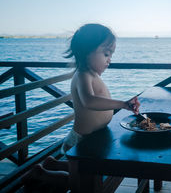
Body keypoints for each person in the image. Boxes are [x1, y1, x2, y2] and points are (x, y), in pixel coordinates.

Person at [22, 23, 140, 192]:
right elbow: (89, 101)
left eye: (111, 54)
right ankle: (40, 174)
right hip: (81, 142)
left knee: (85, 173)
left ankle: (53, 164)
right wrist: (122, 104)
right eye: (106, 53)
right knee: (80, 183)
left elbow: (101, 103)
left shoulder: (93, 75)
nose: (109, 59)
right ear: (86, 52)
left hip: (94, 139)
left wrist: (123, 105)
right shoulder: (83, 74)